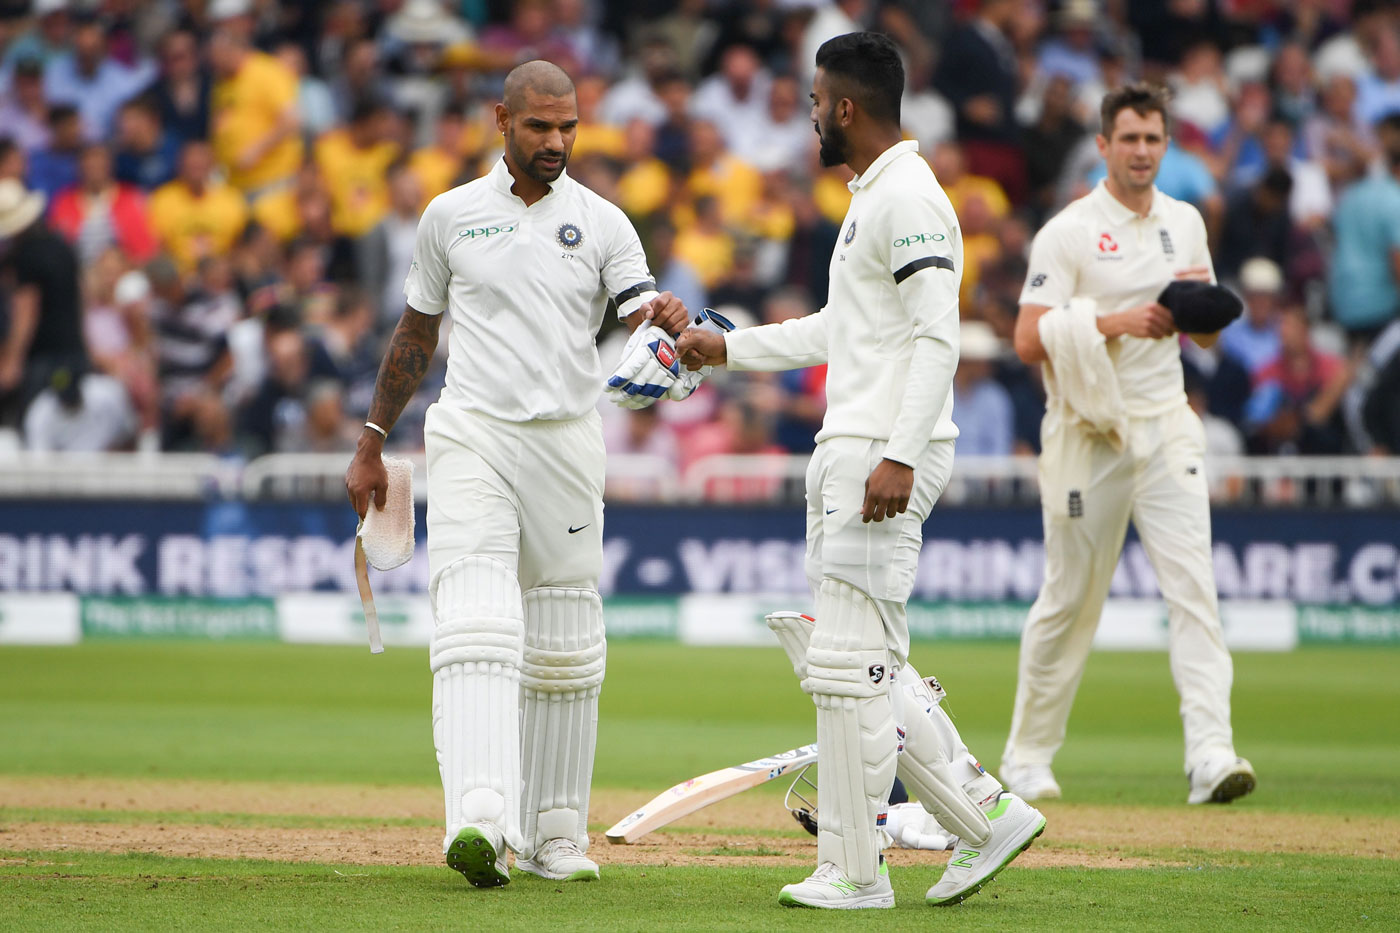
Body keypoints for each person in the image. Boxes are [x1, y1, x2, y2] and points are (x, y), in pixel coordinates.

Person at [677, 32, 1044, 911]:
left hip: (880, 449)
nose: (809, 115)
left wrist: (899, 453)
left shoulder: (911, 198)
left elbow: (937, 337)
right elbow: (840, 329)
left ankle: (855, 870)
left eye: (814, 101)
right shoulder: (875, 197)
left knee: (847, 665)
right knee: (867, 661)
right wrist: (724, 347)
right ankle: (984, 816)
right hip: (861, 443)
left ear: (845, 106)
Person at [344, 61, 688, 889]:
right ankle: (480, 819)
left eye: (568, 126)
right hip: (472, 433)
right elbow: (414, 335)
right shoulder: (451, 215)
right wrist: (370, 439)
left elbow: (645, 314)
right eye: (539, 126)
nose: (556, 142)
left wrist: (669, 323)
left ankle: (554, 834)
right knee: (477, 621)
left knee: (567, 640)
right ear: (502, 119)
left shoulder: (604, 223)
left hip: (567, 439)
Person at [1005, 83, 1255, 807]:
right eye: (1130, 139)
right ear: (1103, 146)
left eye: (1153, 139)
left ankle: (1212, 754)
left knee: (1195, 590)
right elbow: (1028, 338)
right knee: (1071, 598)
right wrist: (1115, 322)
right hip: (1089, 430)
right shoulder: (1070, 231)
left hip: (1166, 422)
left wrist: (1197, 312)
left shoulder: (1184, 223)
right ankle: (1026, 757)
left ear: (1167, 145)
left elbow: (1199, 330)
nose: (1142, 152)